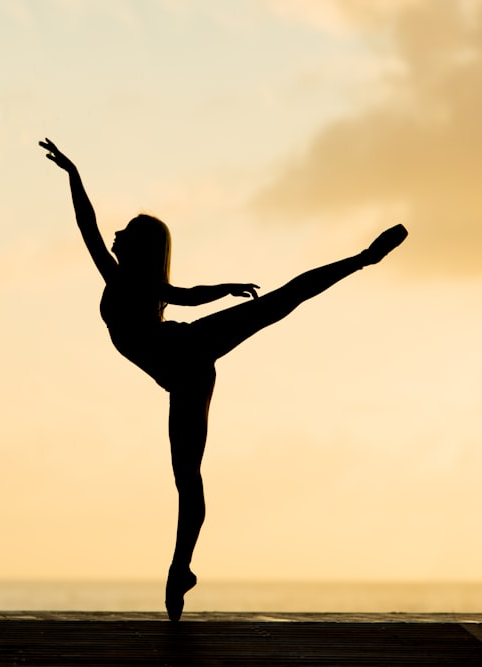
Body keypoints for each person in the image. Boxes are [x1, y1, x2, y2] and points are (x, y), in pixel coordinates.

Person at [39, 138, 407, 621]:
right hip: (184, 375)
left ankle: (364, 257)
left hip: (186, 350)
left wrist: (222, 291)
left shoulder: (135, 282)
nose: (115, 233)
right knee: (187, 481)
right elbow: (89, 225)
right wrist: (73, 174)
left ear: (140, 248)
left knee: (278, 303)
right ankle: (181, 569)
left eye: (126, 230)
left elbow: (183, 294)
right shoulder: (118, 277)